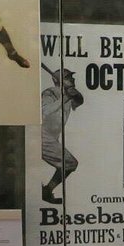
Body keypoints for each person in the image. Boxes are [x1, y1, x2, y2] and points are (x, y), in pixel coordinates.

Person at [41, 67, 84, 204]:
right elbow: (45, 112)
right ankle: (46, 191)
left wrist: (73, 95)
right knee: (70, 162)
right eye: (67, 77)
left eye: (71, 77)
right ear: (56, 80)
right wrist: (65, 97)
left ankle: (46, 190)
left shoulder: (69, 94)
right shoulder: (49, 92)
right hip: (40, 136)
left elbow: (80, 101)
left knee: (69, 164)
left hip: (52, 137)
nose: (72, 79)